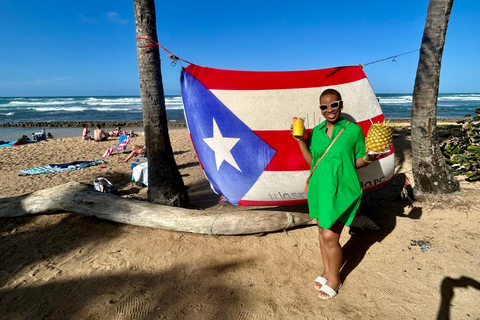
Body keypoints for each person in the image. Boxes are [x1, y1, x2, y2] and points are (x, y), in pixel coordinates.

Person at [291, 88, 380, 300]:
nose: (329, 109)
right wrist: (300, 141)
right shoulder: (318, 131)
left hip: (342, 189)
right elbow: (313, 162)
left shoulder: (353, 130)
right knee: (322, 233)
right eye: (324, 106)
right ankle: (327, 271)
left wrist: (369, 158)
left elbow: (356, 162)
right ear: (320, 109)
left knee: (330, 235)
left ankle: (335, 279)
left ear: (341, 104)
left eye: (334, 104)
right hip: (320, 187)